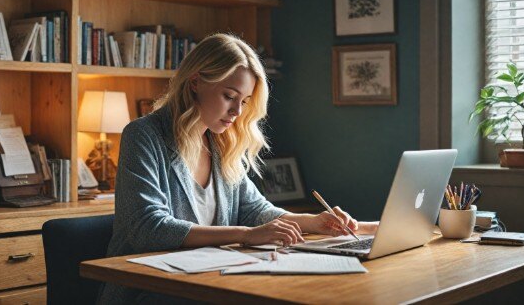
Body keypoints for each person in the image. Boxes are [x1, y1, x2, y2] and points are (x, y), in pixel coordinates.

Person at [98, 33, 378, 304]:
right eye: (229, 96)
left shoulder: (220, 142)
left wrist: (313, 221)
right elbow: (148, 228)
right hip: (150, 290)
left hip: (211, 282)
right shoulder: (144, 135)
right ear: (195, 82)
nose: (238, 112)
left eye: (244, 101)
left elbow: (255, 210)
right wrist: (246, 235)